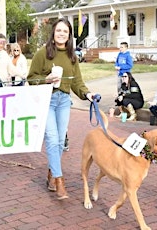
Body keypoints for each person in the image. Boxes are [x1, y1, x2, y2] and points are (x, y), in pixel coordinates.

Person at [27, 18, 96, 200]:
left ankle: (52, 170)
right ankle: (59, 180)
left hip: (64, 100)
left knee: (59, 140)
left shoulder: (72, 56)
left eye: (65, 31)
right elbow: (31, 78)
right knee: (51, 138)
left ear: (69, 35)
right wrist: (46, 79)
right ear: (53, 32)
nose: (62, 34)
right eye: (59, 30)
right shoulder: (43, 53)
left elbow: (77, 82)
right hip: (47, 100)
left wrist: (87, 94)